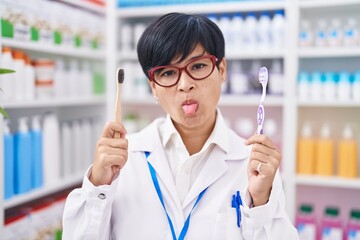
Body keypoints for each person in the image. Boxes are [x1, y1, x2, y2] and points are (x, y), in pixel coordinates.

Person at [62, 12, 299, 239]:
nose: (185, 85)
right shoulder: (123, 161)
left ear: (222, 70)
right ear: (153, 87)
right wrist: (98, 188)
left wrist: (260, 204)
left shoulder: (253, 164)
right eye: (167, 73)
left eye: (197, 66)